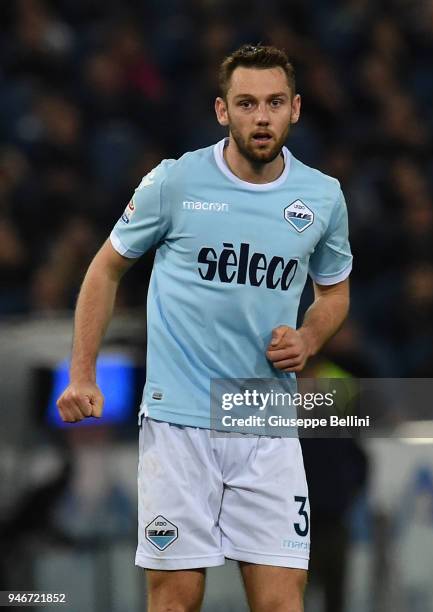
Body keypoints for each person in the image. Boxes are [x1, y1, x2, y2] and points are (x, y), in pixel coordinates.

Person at [57, 44, 352, 612]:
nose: (260, 117)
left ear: (296, 109)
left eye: (273, 103)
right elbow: (104, 269)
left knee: (281, 603)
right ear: (223, 111)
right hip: (178, 423)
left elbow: (333, 293)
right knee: (175, 601)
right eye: (246, 103)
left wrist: (309, 337)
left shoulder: (322, 197)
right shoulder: (175, 182)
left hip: (265, 424)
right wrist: (82, 373)